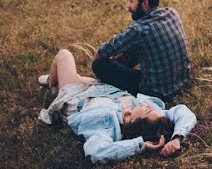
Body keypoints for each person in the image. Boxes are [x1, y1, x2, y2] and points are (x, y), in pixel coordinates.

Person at [37, 48, 196, 163]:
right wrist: (176, 139)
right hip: (101, 89)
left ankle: (53, 85)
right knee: (75, 75)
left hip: (76, 96)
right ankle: (58, 82)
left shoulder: (106, 127)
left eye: (147, 110)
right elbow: (183, 112)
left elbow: (96, 151)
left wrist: (140, 145)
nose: (151, 107)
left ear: (131, 118)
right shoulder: (150, 113)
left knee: (64, 55)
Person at [92, 0, 191, 101]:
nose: (128, 6)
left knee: (99, 65)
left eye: (131, 1)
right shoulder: (172, 13)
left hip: (156, 93)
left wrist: (113, 58)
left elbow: (101, 53)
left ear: (144, 4)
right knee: (136, 47)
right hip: (182, 82)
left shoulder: (139, 30)